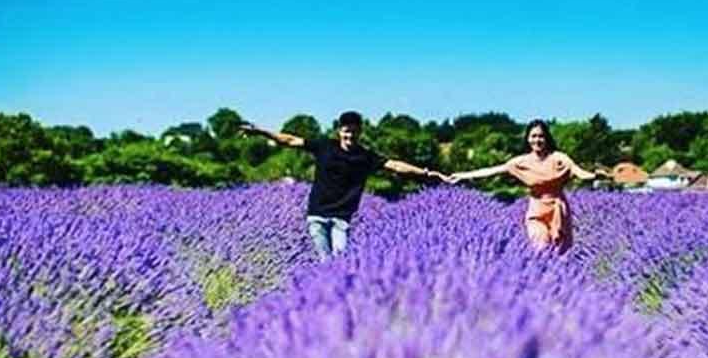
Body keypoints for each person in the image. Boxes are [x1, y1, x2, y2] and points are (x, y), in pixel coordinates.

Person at [240, 111, 446, 259]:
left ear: (360, 132)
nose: (350, 136)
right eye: (347, 131)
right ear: (339, 131)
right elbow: (290, 140)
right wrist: (260, 131)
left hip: (341, 219)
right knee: (325, 261)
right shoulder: (324, 146)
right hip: (317, 215)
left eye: (354, 132)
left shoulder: (365, 156)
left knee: (339, 263)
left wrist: (426, 172)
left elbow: (395, 165)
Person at [451, 119, 611, 252]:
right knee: (541, 247)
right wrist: (462, 176)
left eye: (541, 136)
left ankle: (556, 287)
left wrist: (594, 175)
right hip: (536, 212)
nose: (537, 140)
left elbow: (578, 171)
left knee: (560, 253)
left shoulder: (559, 158)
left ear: (547, 138)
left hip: (558, 211)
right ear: (528, 139)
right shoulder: (521, 162)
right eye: (533, 136)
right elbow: (492, 170)